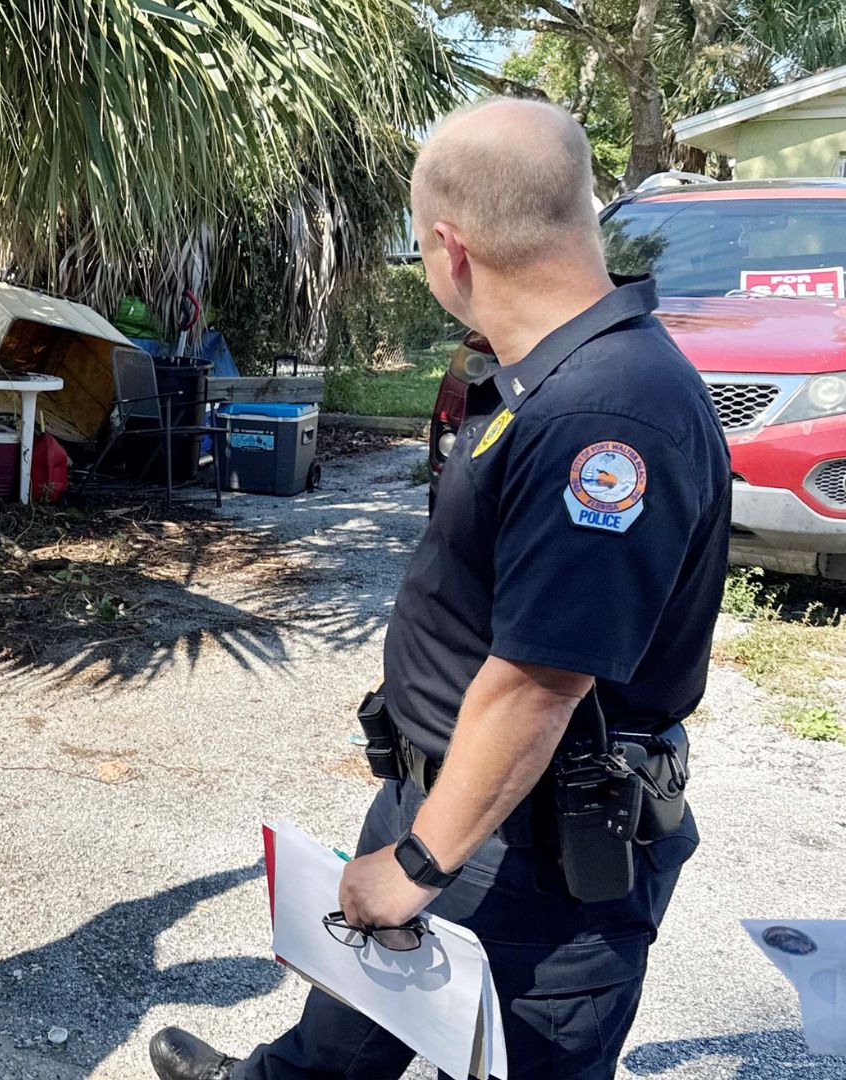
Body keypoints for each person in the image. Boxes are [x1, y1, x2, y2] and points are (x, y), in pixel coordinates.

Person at [149, 98, 729, 1079]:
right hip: (451, 800)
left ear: (448, 251)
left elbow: (543, 682)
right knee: (349, 1018)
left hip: (530, 851)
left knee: (523, 1054)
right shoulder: (544, 378)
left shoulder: (607, 415)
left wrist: (421, 863)